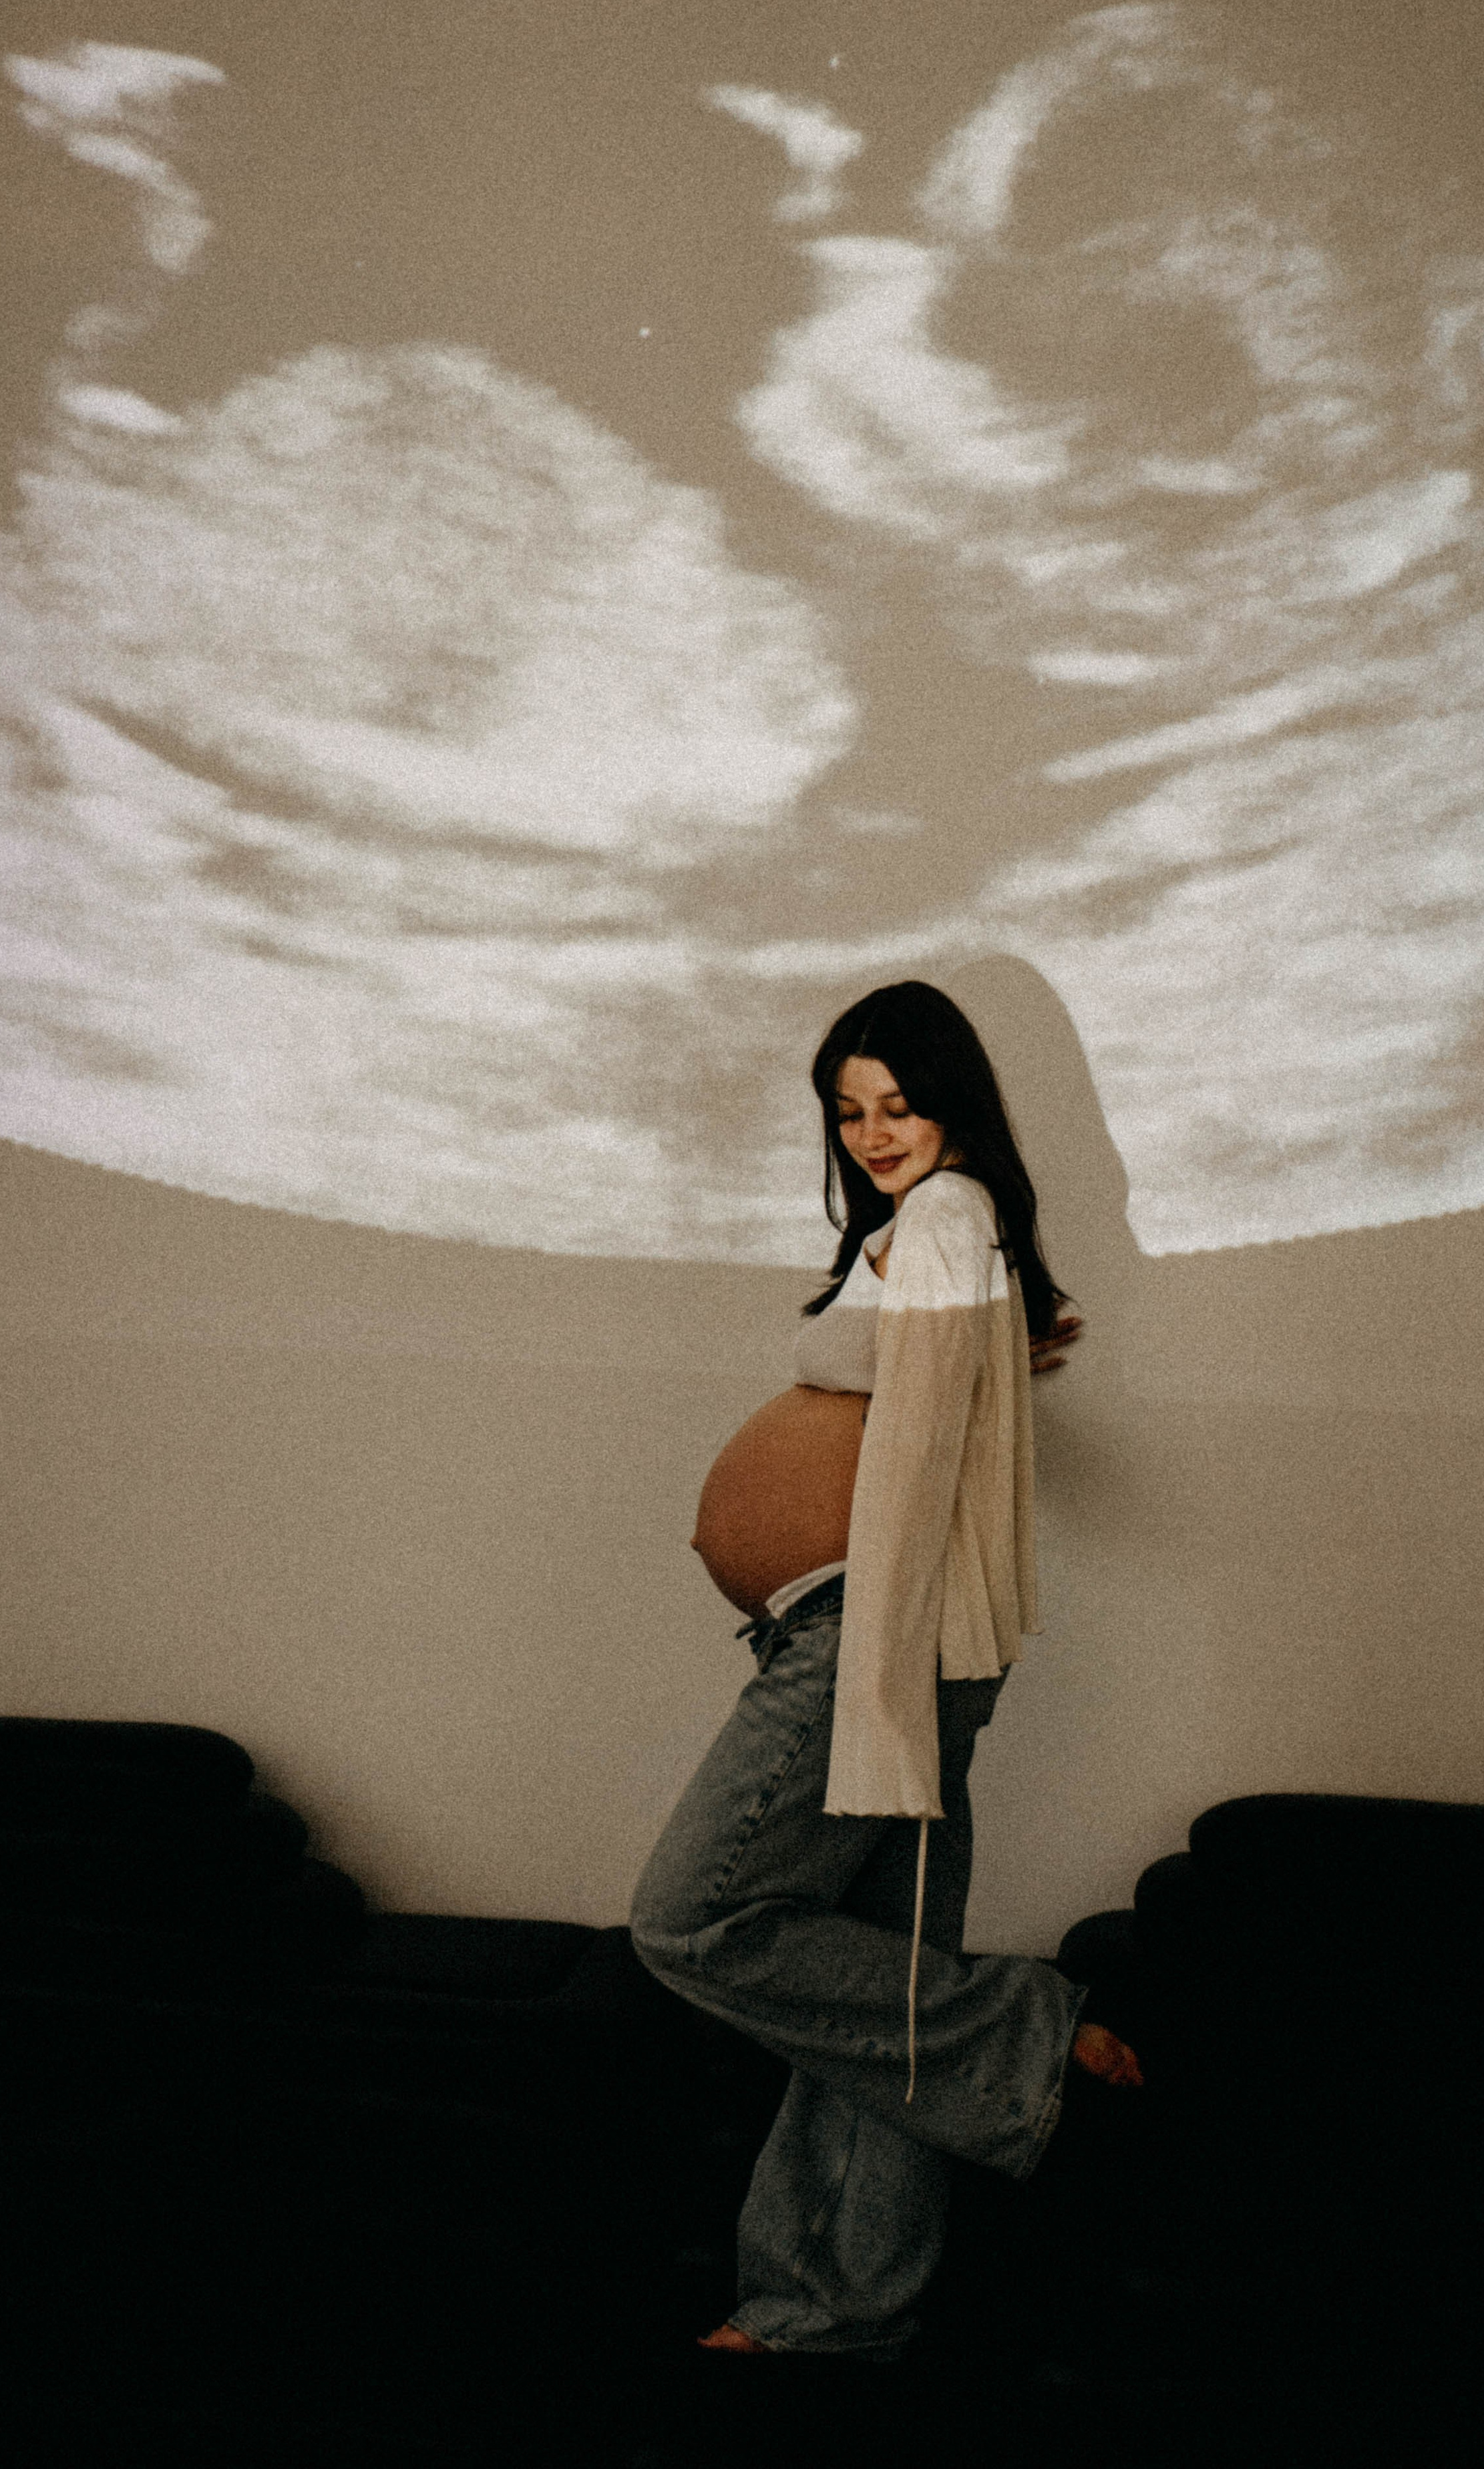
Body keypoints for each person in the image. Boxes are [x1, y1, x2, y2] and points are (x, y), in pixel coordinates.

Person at [628, 980, 1142, 2363]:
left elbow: (912, 1462)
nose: (870, 1131)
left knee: (692, 1919)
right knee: (875, 1979)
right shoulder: (923, 1232)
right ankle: (831, 2309)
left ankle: (1029, 2036)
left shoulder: (947, 1214)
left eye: (896, 1104)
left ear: (952, 1104)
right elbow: (935, 1404)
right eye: (847, 1110)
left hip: (876, 1629)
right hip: (864, 1627)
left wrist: (877, 1667)